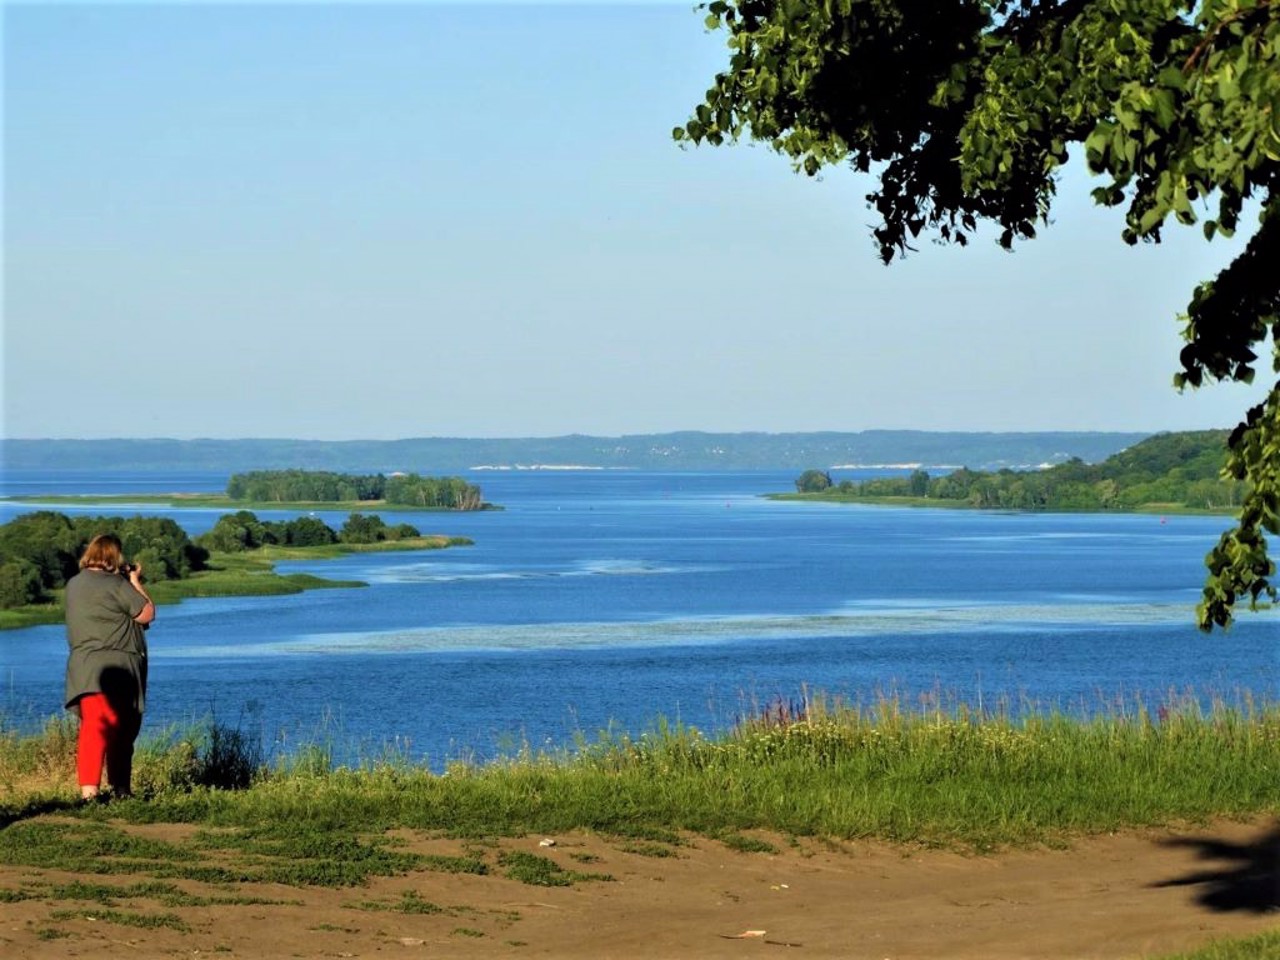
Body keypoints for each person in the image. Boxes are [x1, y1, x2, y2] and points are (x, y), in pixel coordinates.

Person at [64, 533, 155, 800]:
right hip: (119, 668)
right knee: (121, 729)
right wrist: (135, 581)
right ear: (115, 557)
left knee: (93, 726)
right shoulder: (116, 584)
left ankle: (90, 790)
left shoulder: (74, 584)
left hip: (84, 667)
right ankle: (120, 789)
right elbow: (146, 613)